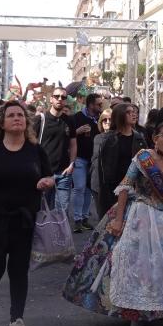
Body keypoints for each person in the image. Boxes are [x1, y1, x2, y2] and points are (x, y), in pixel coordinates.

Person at [64, 122, 163, 326]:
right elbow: (125, 187)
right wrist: (118, 220)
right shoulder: (143, 158)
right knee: (137, 263)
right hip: (140, 214)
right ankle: (136, 315)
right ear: (155, 138)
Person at [0, 101, 55, 326]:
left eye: (20, 115)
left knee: (19, 270)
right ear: (2, 122)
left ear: (26, 121)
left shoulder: (36, 150)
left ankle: (16, 322)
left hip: (25, 221)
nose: (17, 118)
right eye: (11, 115)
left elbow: (50, 177)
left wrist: (47, 182)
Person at [91, 103, 147, 222]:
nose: (133, 114)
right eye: (128, 112)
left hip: (134, 190)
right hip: (113, 191)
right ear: (120, 116)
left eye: (134, 111)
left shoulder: (139, 138)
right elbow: (104, 173)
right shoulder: (109, 140)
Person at [38, 87, 77, 214]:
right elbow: (31, 145)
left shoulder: (70, 120)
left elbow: (73, 144)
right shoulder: (40, 119)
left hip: (64, 173)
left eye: (63, 97)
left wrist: (72, 164)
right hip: (44, 173)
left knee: (62, 213)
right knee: (43, 211)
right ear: (51, 99)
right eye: (57, 96)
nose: (60, 99)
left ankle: (59, 234)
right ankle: (44, 234)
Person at [70, 93, 104, 231]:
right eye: (98, 104)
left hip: (94, 160)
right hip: (79, 158)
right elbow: (68, 135)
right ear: (90, 105)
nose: (101, 106)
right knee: (79, 187)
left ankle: (84, 218)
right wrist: (77, 131)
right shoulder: (77, 117)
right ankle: (77, 219)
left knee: (89, 190)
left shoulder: (101, 119)